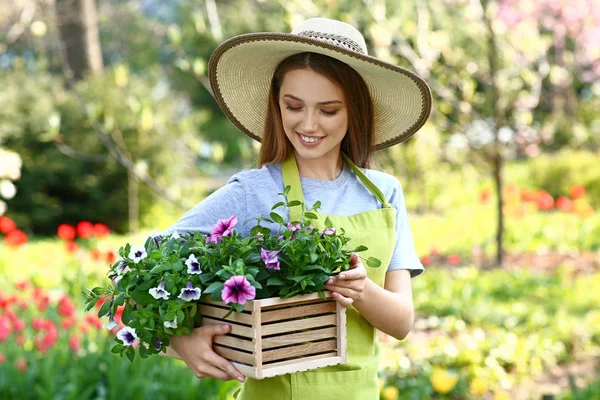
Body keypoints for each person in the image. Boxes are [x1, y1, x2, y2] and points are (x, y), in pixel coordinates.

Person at [165, 17, 432, 400]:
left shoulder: (383, 193)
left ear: (354, 111)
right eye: (294, 106)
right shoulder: (253, 192)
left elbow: (402, 322)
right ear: (277, 103)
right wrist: (181, 342)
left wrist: (360, 291)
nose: (308, 124)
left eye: (328, 110)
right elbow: (135, 271)